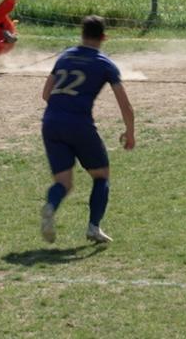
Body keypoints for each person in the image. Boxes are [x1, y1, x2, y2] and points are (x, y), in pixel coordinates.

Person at [39, 15, 135, 244]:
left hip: (50, 122)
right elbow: (124, 103)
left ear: (81, 35)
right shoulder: (104, 63)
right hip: (79, 124)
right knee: (101, 176)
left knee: (63, 182)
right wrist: (130, 131)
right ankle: (93, 227)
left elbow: (45, 94)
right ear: (104, 37)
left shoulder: (64, 56)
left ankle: (51, 205)